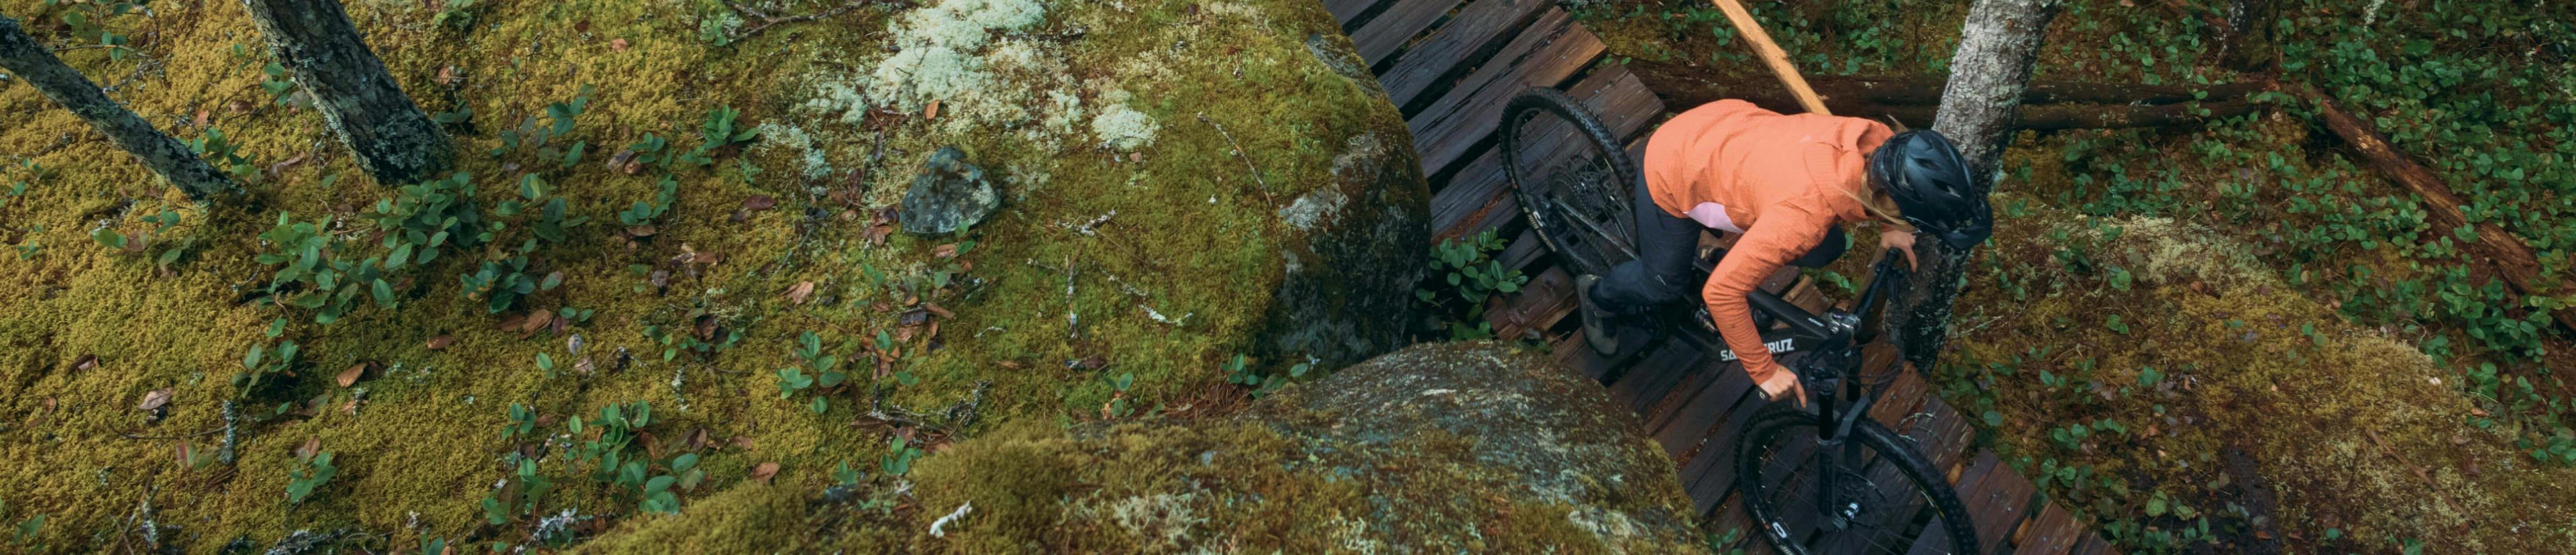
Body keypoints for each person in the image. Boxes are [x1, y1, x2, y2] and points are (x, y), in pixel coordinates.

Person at [1573, 99, 1991, 407]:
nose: (1912, 226)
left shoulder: (1879, 140)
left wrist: (1892, 226)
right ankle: (1598, 296)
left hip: (1727, 131)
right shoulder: (1801, 218)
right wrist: (1764, 370)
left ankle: (1733, 242)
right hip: (1677, 167)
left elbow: (1876, 191)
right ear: (1887, 196)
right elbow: (1720, 294)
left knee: (1829, 245)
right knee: (1663, 283)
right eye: (1913, 219)